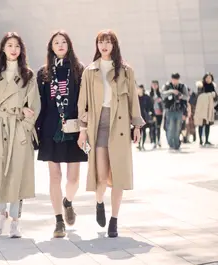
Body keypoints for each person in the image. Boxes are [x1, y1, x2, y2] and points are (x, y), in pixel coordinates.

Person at [77, 30, 144, 238]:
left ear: (114, 45)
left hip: (121, 126)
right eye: (100, 42)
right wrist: (82, 131)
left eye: (108, 42)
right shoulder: (90, 71)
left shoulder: (125, 70)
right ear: (96, 45)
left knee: (119, 175)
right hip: (97, 126)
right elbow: (82, 103)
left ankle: (114, 220)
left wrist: (137, 126)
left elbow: (133, 99)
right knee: (102, 175)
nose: (104, 46)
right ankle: (99, 203)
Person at [0, 32, 41, 238]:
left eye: (17, 46)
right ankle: (0, 216)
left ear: (21, 50)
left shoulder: (28, 75)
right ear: (3, 49)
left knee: (17, 174)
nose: (13, 49)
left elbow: (34, 105)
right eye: (9, 45)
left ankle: (15, 221)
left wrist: (25, 124)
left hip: (19, 131)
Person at [35, 31, 87, 238]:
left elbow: (85, 100)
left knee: (73, 179)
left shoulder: (79, 70)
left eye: (63, 41)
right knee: (54, 176)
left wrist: (85, 127)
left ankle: (68, 202)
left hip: (74, 128)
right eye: (56, 42)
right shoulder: (44, 73)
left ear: (69, 45)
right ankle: (58, 221)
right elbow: (40, 102)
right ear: (51, 48)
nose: (60, 45)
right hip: (50, 128)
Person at [161, 73, 189, 151]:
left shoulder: (182, 86)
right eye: (173, 79)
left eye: (176, 80)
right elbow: (162, 95)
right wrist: (171, 91)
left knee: (177, 128)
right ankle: (171, 144)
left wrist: (180, 95)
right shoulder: (167, 86)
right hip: (169, 111)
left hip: (179, 110)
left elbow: (186, 97)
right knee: (169, 128)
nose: (175, 81)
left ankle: (176, 144)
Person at [194, 73, 216, 146]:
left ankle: (207, 140)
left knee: (207, 124)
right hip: (202, 108)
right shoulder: (201, 85)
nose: (208, 79)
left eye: (210, 78)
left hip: (209, 108)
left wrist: (214, 95)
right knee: (201, 124)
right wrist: (209, 95)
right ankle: (200, 140)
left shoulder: (212, 86)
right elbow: (199, 96)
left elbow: (214, 98)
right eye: (207, 78)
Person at [137, 84, 155, 151]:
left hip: (144, 116)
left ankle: (142, 144)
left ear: (142, 89)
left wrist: (153, 115)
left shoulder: (147, 97)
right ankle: (139, 144)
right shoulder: (136, 97)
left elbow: (151, 107)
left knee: (143, 131)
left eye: (139, 89)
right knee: (138, 130)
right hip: (137, 116)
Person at [149, 80, 163, 148]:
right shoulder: (149, 94)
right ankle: (154, 142)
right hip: (152, 113)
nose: (154, 86)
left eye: (156, 84)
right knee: (153, 127)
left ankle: (159, 140)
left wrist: (160, 100)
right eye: (153, 84)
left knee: (158, 127)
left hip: (159, 113)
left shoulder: (160, 93)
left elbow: (163, 102)